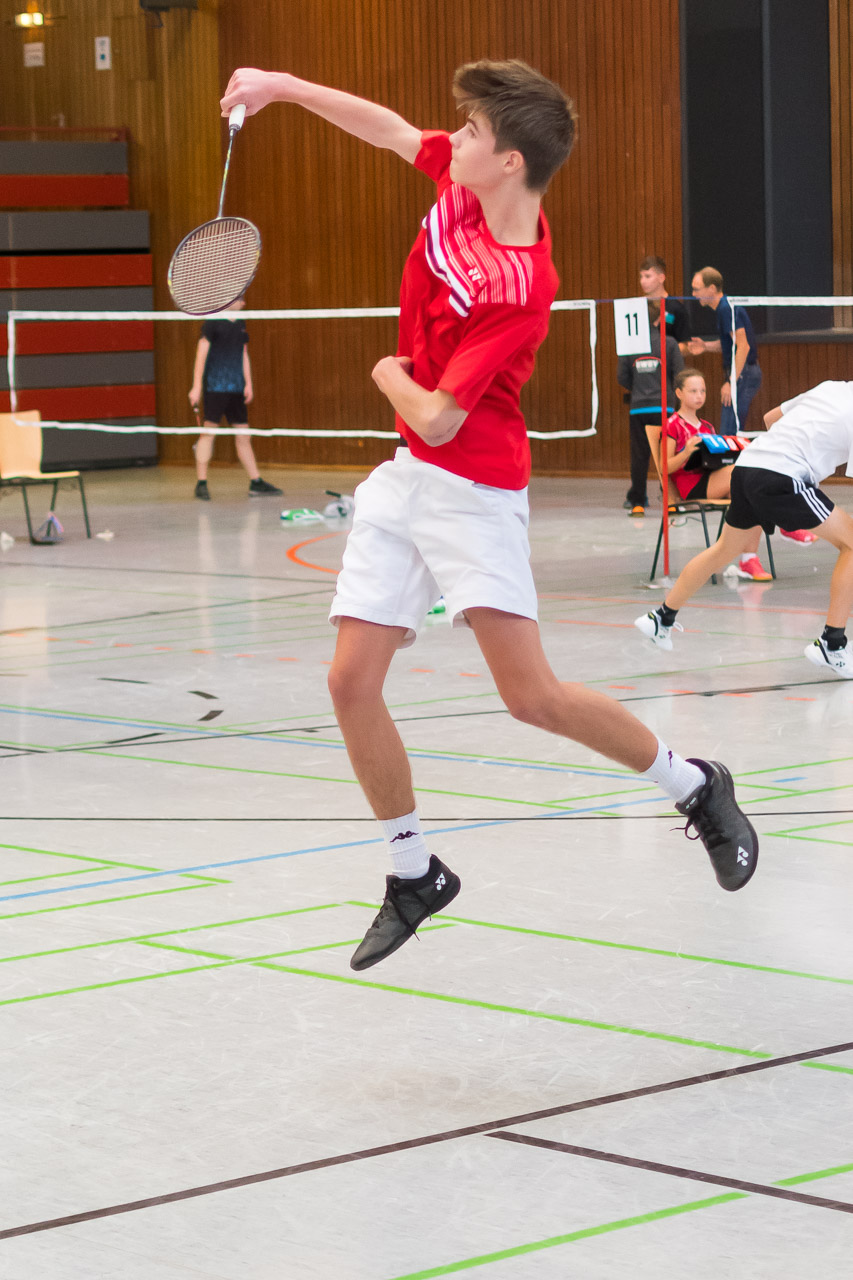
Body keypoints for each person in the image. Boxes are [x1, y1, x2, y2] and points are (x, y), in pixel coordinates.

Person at [220, 59, 759, 972]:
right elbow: (390, 130)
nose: (452, 139)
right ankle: (414, 872)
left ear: (509, 161)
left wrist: (384, 373)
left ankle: (694, 784)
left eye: (470, 132)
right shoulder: (462, 185)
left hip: (473, 487)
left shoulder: (521, 285)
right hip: (407, 476)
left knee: (530, 697)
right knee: (350, 682)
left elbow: (439, 414)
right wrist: (282, 86)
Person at [634, 379, 853, 678]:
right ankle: (832, 643)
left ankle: (661, 617)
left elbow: (770, 419)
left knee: (725, 549)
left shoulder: (831, 387)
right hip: (782, 476)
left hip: (747, 467)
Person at [664, 367, 772, 581]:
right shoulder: (672, 425)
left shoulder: (707, 426)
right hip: (691, 485)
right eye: (693, 391)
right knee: (742, 475)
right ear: (679, 393)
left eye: (702, 391)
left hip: (712, 478)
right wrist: (686, 452)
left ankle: (749, 559)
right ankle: (783, 522)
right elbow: (664, 467)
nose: (699, 396)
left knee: (753, 495)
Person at [189, 296, 282, 501]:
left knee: (243, 435)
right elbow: (201, 353)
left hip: (236, 389)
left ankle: (256, 482)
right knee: (208, 434)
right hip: (215, 387)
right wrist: (196, 386)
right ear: (230, 300)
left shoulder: (240, 323)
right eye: (240, 299)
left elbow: (243, 354)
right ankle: (201, 482)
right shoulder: (212, 322)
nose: (244, 303)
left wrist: (248, 383)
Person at [617, 299, 683, 516]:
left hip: (639, 409)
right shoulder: (669, 343)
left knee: (639, 455)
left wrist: (638, 389)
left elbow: (622, 377)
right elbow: (679, 375)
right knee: (667, 455)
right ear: (657, 320)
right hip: (664, 409)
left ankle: (637, 501)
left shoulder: (630, 346)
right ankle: (670, 500)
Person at [688, 267, 762, 435]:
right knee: (730, 431)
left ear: (712, 289)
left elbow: (743, 346)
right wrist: (706, 346)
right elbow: (732, 344)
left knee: (729, 432)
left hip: (743, 374)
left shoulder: (726, 308)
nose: (694, 294)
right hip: (742, 373)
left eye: (697, 289)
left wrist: (731, 382)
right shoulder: (725, 308)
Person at [638, 255, 691, 356]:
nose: (643, 281)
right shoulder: (637, 306)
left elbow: (685, 346)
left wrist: (662, 351)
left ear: (661, 278)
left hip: (666, 362)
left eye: (648, 276)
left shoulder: (676, 308)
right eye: (641, 277)